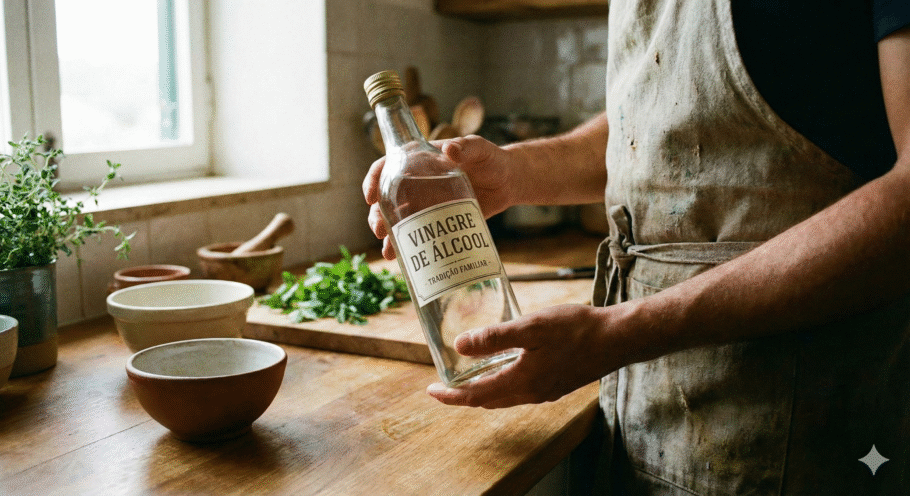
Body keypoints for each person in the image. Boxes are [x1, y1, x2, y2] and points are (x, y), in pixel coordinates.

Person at [363, 1, 910, 493]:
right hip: (641, 430)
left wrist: (622, 332)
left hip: (810, 437)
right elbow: (662, 121)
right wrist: (512, 172)